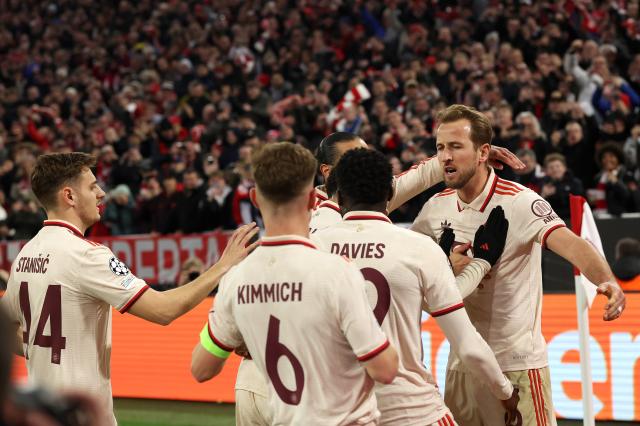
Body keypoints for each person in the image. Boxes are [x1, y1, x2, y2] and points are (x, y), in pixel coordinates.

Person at [0, 152, 258, 426]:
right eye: (92, 186)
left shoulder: (27, 253)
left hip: (42, 414)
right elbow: (163, 310)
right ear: (69, 196)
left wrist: (36, 348)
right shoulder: (87, 255)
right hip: (82, 415)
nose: (101, 193)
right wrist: (222, 266)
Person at [411, 105, 626, 426]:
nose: (445, 157)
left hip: (517, 366)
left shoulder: (520, 201)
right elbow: (408, 264)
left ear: (483, 152)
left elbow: (570, 242)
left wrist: (606, 280)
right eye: (440, 148)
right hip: (461, 366)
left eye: (456, 147)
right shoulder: (434, 207)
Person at [191, 142, 399, 425]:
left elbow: (201, 368)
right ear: (314, 199)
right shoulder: (337, 270)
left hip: (270, 403)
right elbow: (384, 369)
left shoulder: (236, 280)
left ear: (254, 198)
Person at [314, 148, 520, 426]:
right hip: (411, 410)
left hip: (336, 412)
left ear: (338, 198)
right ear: (389, 193)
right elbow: (467, 344)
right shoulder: (419, 248)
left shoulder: (310, 248)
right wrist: (505, 392)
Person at [311, 131, 524, 231]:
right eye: (353, 158)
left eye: (366, 154)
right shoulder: (299, 211)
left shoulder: (376, 194)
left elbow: (423, 175)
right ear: (328, 172)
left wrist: (473, 152)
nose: (365, 162)